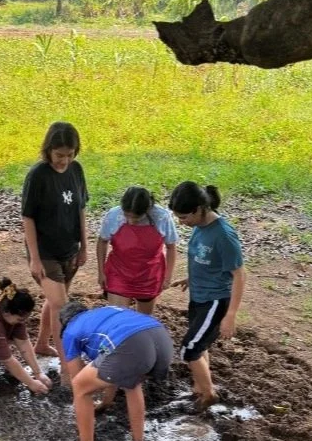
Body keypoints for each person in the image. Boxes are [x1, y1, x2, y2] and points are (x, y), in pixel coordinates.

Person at [59, 301, 174, 441]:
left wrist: (84, 403)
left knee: (80, 387)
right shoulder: (104, 313)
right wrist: (106, 402)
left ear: (65, 322)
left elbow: (77, 376)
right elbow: (113, 370)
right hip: (162, 339)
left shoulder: (70, 331)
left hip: (131, 344)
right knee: (131, 383)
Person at [168, 182, 246, 410]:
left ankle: (209, 394)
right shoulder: (199, 227)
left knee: (189, 349)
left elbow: (239, 274)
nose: (182, 223)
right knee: (200, 346)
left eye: (184, 217)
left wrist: (231, 314)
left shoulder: (223, 235)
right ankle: (200, 386)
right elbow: (207, 262)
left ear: (200, 208)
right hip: (199, 296)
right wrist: (191, 279)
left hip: (215, 300)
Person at [21, 121, 88, 378]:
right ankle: (66, 367)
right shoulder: (38, 176)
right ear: (48, 150)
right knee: (61, 305)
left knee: (55, 300)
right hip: (45, 252)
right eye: (60, 155)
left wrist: (83, 246)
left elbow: (81, 209)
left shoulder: (76, 170)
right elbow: (28, 218)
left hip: (69, 249)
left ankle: (41, 344)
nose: (64, 160)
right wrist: (35, 259)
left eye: (70, 155)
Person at [97, 185, 178, 314]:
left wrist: (167, 277)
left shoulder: (162, 217)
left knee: (143, 320)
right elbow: (102, 241)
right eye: (127, 216)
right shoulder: (113, 215)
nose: (131, 221)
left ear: (148, 210)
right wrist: (101, 272)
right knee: (116, 317)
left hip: (149, 275)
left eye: (136, 218)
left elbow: (171, 247)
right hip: (119, 273)